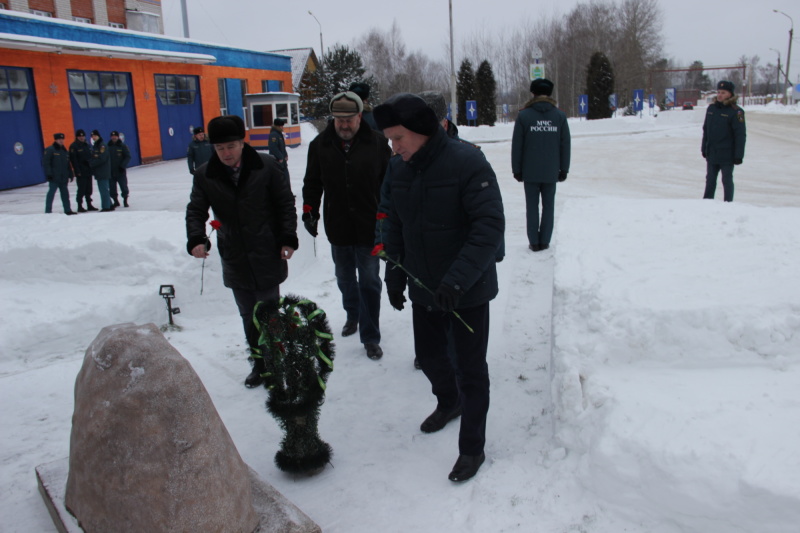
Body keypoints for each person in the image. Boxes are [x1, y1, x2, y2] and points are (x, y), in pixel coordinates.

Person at [374, 93, 504, 482]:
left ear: (421, 131)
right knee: (430, 358)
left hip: (467, 290)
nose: (394, 147)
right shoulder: (398, 168)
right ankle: (448, 404)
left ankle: (472, 448)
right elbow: (393, 224)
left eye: (398, 138)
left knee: (470, 370)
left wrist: (457, 280)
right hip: (423, 285)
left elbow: (488, 228)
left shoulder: (467, 162)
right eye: (390, 140)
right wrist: (394, 274)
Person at [185, 115, 298, 388]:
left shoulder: (266, 166)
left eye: (231, 146)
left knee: (269, 313)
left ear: (241, 142)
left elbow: (285, 204)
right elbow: (196, 210)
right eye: (220, 148)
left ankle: (277, 363)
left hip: (266, 249)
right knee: (248, 314)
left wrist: (287, 238)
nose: (226, 153)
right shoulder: (204, 174)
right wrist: (196, 238)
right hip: (234, 253)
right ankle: (260, 365)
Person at [302, 91, 391, 360]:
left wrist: (388, 217)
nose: (343, 125)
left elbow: (389, 184)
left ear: (360, 116)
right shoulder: (320, 145)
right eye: (338, 119)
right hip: (338, 225)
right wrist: (310, 211)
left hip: (370, 226)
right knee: (344, 278)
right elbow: (312, 183)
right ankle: (353, 314)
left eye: (349, 119)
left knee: (370, 281)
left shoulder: (377, 144)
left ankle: (370, 335)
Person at [511, 78, 571, 252]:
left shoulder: (524, 116)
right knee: (548, 206)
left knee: (532, 207)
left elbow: (518, 145)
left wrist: (517, 169)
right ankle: (545, 241)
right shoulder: (559, 116)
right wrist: (564, 168)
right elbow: (564, 144)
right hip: (552, 171)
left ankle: (534, 242)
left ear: (533, 93)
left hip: (530, 171)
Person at [702, 80, 746, 202]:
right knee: (710, 179)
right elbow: (706, 130)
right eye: (719, 92)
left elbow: (740, 135)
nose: (720, 95)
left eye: (723, 92)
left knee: (726, 180)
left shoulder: (737, 112)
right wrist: (704, 148)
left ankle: (728, 204)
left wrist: (738, 155)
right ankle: (706, 203)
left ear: (730, 94)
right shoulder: (711, 109)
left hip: (727, 154)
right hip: (712, 152)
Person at [43, 133, 76, 215]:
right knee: (51, 193)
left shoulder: (64, 151)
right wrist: (49, 174)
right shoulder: (50, 150)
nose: (61, 140)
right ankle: (48, 210)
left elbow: (68, 163)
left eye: (62, 139)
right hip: (54, 177)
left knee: (65, 194)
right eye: (59, 139)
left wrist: (70, 173)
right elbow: (46, 163)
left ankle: (67, 210)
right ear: (55, 140)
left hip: (63, 177)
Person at [69, 129, 97, 212]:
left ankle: (89, 204)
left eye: (83, 136)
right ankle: (79, 205)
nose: (81, 138)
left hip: (88, 170)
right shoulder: (74, 146)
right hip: (81, 171)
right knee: (81, 189)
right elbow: (74, 160)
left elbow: (91, 156)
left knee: (89, 189)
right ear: (77, 137)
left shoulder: (87, 145)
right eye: (79, 136)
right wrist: (77, 171)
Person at [89, 130, 114, 212]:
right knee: (103, 188)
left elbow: (102, 158)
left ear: (98, 136)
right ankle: (109, 204)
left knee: (103, 189)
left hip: (103, 170)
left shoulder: (102, 145)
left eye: (95, 136)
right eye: (92, 136)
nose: (94, 137)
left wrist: (92, 164)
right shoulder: (96, 145)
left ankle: (106, 207)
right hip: (99, 171)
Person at [108, 131, 131, 208]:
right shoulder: (108, 146)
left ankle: (125, 200)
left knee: (123, 186)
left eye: (115, 136)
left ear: (118, 137)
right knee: (112, 187)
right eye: (112, 136)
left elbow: (128, 156)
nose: (114, 137)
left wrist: (123, 166)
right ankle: (115, 201)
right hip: (111, 171)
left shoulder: (122, 146)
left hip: (120, 170)